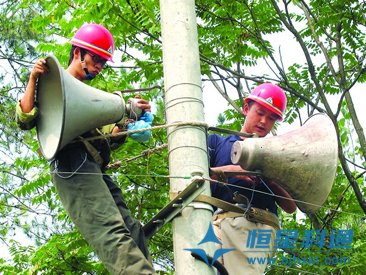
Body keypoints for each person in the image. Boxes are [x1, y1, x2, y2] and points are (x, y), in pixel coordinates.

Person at [16, 23, 155, 274]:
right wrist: (33, 78)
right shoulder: (51, 82)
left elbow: (107, 140)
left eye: (104, 62)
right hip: (71, 165)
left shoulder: (88, 96)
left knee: (132, 230)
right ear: (78, 52)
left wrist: (127, 120)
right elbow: (25, 118)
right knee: (110, 231)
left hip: (92, 167)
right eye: (96, 58)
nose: (99, 66)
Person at [208, 83, 297, 274]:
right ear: (246, 108)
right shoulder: (216, 143)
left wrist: (269, 178)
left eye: (272, 118)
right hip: (216, 223)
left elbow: (291, 207)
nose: (264, 121)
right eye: (260, 112)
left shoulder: (276, 157)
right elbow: (196, 178)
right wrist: (233, 170)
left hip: (255, 227)